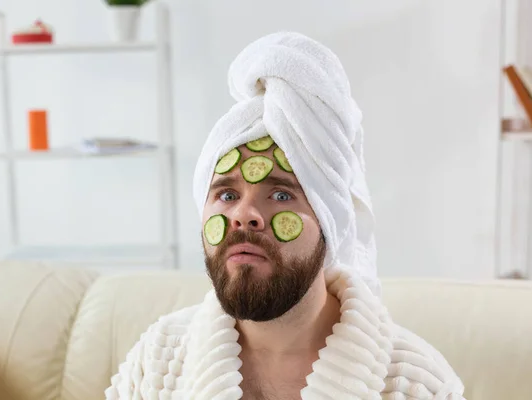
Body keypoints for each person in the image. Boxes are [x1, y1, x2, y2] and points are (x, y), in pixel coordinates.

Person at [105, 32, 466, 400]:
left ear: (329, 221)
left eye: (280, 194)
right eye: (227, 194)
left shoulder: (416, 386)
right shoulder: (159, 363)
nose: (245, 215)